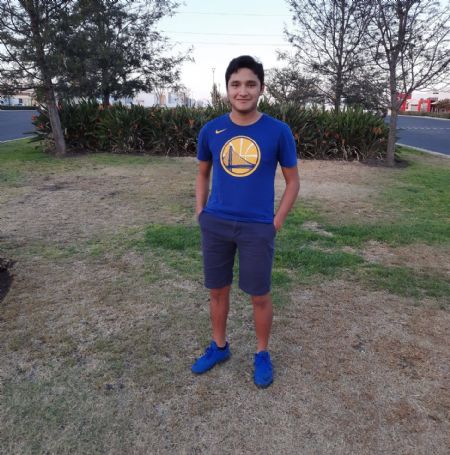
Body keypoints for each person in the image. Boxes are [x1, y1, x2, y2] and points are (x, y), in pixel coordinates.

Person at [192, 55, 300, 388]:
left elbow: (293, 181)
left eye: (250, 84)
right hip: (216, 224)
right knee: (217, 291)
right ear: (227, 89)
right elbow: (202, 174)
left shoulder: (278, 131)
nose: (243, 91)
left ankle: (262, 353)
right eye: (236, 84)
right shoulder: (211, 130)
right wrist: (201, 212)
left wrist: (275, 222)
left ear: (261, 88)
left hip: (257, 228)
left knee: (260, 295)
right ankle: (219, 346)